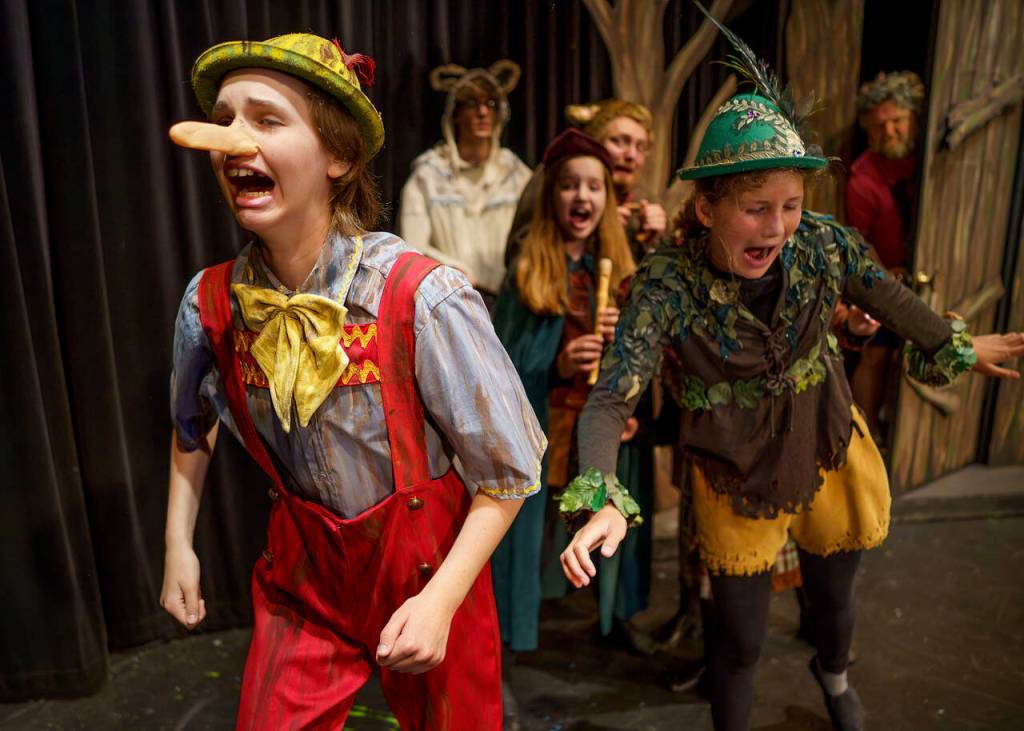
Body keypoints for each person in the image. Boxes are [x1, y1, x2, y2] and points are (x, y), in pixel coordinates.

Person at [556, 15, 1024, 731]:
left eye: (791, 207)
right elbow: (609, 395)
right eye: (755, 209)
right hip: (732, 468)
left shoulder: (822, 246)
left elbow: (886, 295)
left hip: (824, 439)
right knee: (738, 639)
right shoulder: (666, 285)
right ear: (708, 207)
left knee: (833, 604)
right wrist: (604, 493)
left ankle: (832, 674)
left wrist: (955, 342)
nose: (776, 228)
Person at [159, 33, 545, 730]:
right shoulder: (211, 304)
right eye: (224, 120)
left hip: (431, 567)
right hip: (304, 577)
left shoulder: (419, 297)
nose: (233, 140)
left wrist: (442, 599)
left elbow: (509, 469)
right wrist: (176, 542)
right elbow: (193, 422)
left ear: (337, 156)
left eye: (267, 120)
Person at [490, 129, 637, 655]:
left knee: (604, 522)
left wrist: (624, 345)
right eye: (571, 186)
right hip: (544, 424)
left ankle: (607, 622)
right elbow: (501, 368)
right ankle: (515, 634)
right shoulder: (529, 267)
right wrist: (555, 363)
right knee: (528, 537)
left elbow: (644, 368)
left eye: (594, 187)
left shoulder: (621, 270)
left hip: (595, 426)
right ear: (553, 195)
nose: (583, 197)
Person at [399, 61, 531, 308]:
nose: (482, 112)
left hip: (509, 305)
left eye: (490, 104)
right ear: (456, 114)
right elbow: (411, 250)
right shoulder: (429, 175)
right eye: (472, 103)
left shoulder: (516, 175)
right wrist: (453, 270)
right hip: (450, 303)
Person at [845, 71, 926, 437]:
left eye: (897, 121)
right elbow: (860, 241)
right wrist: (884, 281)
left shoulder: (931, 161)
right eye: (879, 126)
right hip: (889, 276)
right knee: (876, 353)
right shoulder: (863, 178)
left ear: (914, 119)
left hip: (930, 269)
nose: (889, 131)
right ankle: (867, 432)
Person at [507, 98, 668, 265]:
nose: (631, 155)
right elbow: (516, 254)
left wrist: (653, 242)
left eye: (640, 147)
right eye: (619, 141)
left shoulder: (644, 200)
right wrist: (584, 234)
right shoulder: (557, 176)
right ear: (592, 141)